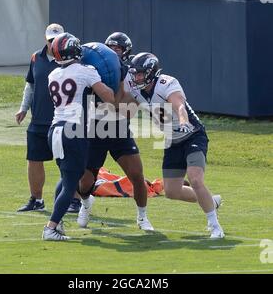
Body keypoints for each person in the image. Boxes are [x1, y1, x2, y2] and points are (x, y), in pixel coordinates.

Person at [125, 52, 224, 239]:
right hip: (172, 141)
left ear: (151, 72)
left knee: (195, 180)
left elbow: (179, 105)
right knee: (172, 191)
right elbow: (124, 107)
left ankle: (215, 226)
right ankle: (211, 202)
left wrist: (183, 120)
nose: (136, 77)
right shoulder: (136, 90)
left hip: (192, 135)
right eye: (135, 74)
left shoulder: (166, 83)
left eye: (140, 73)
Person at [76, 32, 154, 231]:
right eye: (109, 48)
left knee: (137, 174)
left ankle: (142, 217)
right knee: (85, 183)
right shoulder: (93, 70)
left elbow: (128, 111)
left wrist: (118, 98)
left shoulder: (131, 75)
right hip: (95, 130)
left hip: (118, 129)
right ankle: (86, 204)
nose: (112, 52)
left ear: (125, 52)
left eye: (117, 49)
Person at [42, 33, 116, 241]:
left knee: (66, 178)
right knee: (71, 183)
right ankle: (51, 227)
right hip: (73, 131)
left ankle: (56, 224)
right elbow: (109, 97)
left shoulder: (53, 74)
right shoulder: (86, 71)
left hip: (55, 129)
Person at [15, 23, 81, 213]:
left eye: (57, 39)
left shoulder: (72, 59)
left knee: (69, 161)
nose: (53, 43)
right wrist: (23, 109)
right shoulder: (36, 57)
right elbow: (31, 85)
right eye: (51, 39)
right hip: (39, 120)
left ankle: (74, 200)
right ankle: (36, 199)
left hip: (64, 120)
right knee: (34, 159)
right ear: (46, 39)